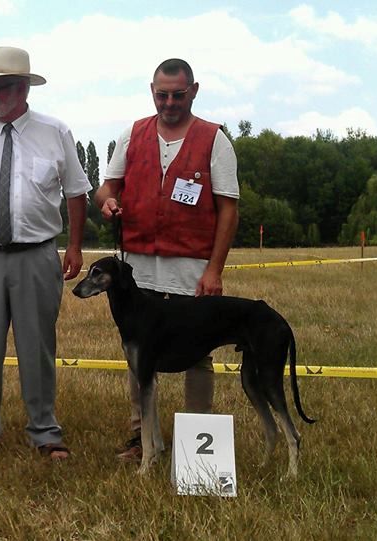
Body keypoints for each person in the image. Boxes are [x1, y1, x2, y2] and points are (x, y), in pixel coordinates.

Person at [0, 46, 90, 460]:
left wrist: (74, 244)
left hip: (38, 255)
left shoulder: (55, 132)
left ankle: (45, 430)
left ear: (23, 88)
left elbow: (76, 193)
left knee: (37, 344)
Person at [94, 58, 240, 462]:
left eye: (178, 94)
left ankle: (197, 450)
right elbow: (107, 186)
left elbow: (228, 209)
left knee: (198, 354)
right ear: (152, 91)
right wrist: (106, 200)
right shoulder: (132, 134)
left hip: (191, 266)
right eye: (162, 95)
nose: (170, 102)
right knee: (138, 354)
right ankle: (143, 440)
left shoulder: (215, 140)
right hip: (137, 266)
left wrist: (214, 270)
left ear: (194, 91)